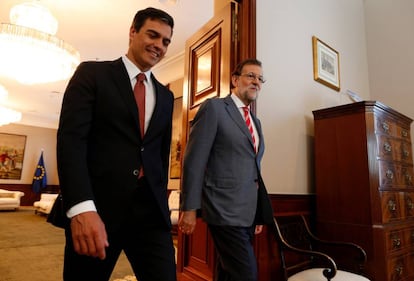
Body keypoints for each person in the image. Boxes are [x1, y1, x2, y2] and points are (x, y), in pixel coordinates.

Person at [57, 7, 177, 281]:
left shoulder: (166, 96)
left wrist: (162, 202)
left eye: (166, 41)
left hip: (150, 215)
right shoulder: (92, 74)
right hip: (97, 211)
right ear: (133, 32)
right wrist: (81, 208)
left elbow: (159, 154)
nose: (159, 45)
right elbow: (71, 142)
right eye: (153, 35)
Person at [178, 58, 274, 281]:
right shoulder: (215, 108)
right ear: (235, 79)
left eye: (260, 79)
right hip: (222, 208)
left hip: (248, 212)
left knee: (228, 273)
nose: (256, 82)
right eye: (250, 76)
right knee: (246, 274)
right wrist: (190, 207)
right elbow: (194, 159)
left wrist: (258, 212)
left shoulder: (255, 122)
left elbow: (254, 169)